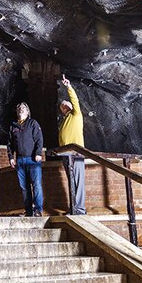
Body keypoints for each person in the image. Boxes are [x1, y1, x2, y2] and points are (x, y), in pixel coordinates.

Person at [7, 102, 44, 217]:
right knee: (24, 187)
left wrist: (38, 153)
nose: (21, 109)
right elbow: (9, 144)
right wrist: (10, 157)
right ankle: (28, 211)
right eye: (19, 108)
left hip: (33, 159)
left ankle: (37, 210)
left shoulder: (33, 123)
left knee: (36, 185)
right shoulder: (13, 126)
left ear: (28, 112)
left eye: (23, 108)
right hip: (20, 161)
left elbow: (39, 139)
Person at [58, 74, 86, 215]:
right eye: (62, 106)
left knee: (79, 181)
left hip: (77, 152)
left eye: (66, 104)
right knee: (72, 181)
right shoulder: (64, 121)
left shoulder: (76, 115)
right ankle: (74, 209)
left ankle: (80, 209)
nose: (64, 106)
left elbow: (75, 100)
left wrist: (68, 86)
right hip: (66, 154)